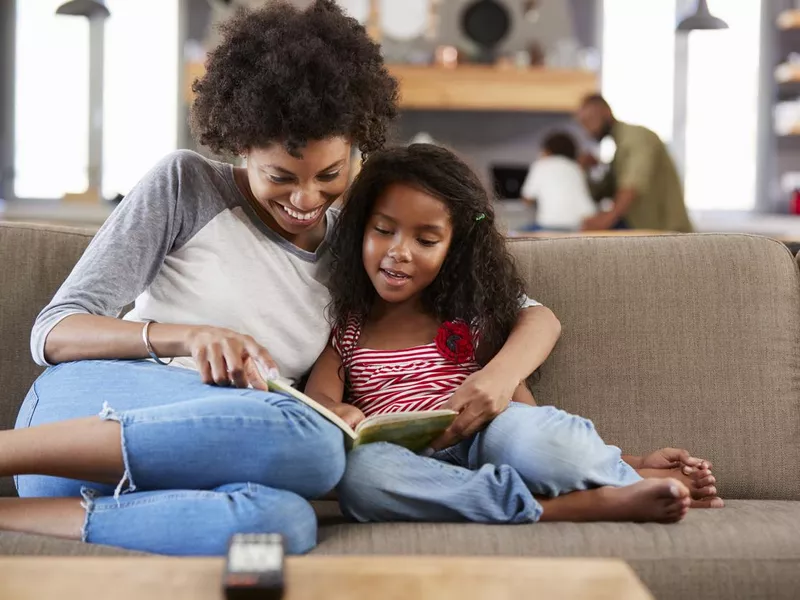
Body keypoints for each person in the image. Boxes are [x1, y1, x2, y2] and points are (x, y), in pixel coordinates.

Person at [0, 1, 556, 557]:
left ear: (359, 147)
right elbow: (52, 332)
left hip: (213, 453)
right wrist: (186, 336)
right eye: (280, 177)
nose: (306, 199)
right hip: (76, 422)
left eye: (330, 176)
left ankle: (16, 516)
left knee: (286, 523)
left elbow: (530, 314)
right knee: (312, 443)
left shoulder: (364, 243)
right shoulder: (185, 186)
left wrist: (500, 377)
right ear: (240, 144)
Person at [300, 143, 722, 525]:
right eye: (383, 230)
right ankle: (570, 506)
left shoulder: (467, 317)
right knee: (362, 478)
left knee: (538, 443)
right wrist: (338, 414)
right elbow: (317, 399)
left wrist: (632, 457)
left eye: (426, 240)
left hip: (490, 439)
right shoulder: (348, 329)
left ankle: (627, 475)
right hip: (409, 464)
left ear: (454, 248)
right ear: (360, 229)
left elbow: (528, 421)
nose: (399, 251)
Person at [576, 94, 693, 233]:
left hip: (667, 233)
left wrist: (605, 220)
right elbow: (606, 190)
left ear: (605, 111)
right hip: (647, 231)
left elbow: (633, 184)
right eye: (583, 124)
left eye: (590, 120)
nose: (588, 129)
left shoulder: (637, 137)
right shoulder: (620, 147)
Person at [520, 131, 596, 231]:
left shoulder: (540, 165)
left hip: (548, 226)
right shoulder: (576, 168)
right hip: (577, 226)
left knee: (515, 234)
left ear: (548, 150)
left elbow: (527, 199)